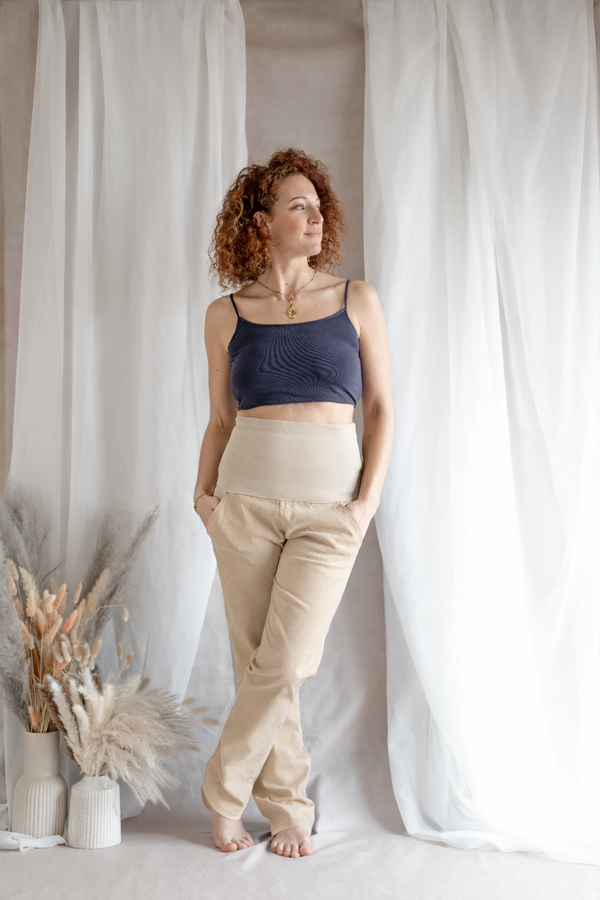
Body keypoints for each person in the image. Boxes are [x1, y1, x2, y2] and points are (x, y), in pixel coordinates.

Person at [193, 148, 393, 859]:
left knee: (288, 662)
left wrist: (364, 505)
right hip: (242, 505)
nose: (315, 218)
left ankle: (222, 792)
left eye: (318, 206)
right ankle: (287, 811)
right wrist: (203, 496)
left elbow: (380, 409)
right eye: (297, 206)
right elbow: (221, 418)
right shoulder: (225, 314)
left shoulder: (355, 299)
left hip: (329, 511)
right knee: (261, 663)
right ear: (260, 222)